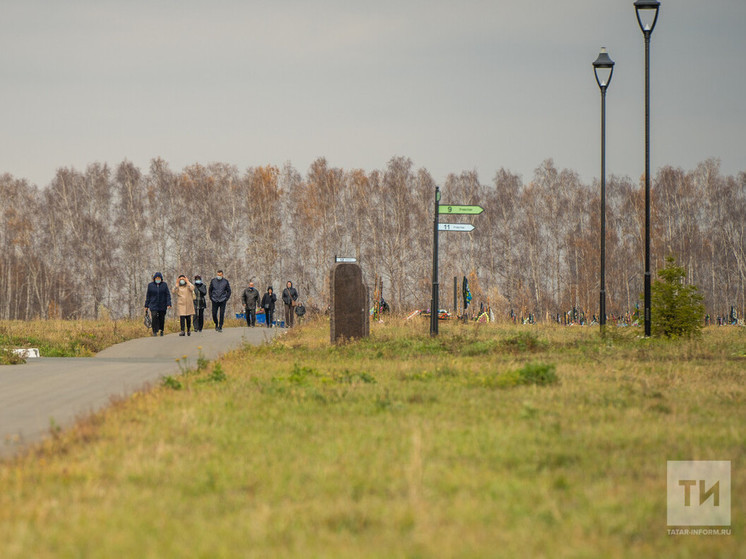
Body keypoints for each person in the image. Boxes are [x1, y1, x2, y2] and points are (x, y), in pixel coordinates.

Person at [144, 272, 171, 337]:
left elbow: (168, 295)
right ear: (154, 279)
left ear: (161, 279)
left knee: (161, 318)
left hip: (162, 304)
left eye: (159, 278)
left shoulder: (164, 285)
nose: (157, 279)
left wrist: (169, 303)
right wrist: (146, 305)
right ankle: (154, 331)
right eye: (156, 278)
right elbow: (148, 296)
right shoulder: (150, 285)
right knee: (154, 316)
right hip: (153, 304)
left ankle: (161, 330)